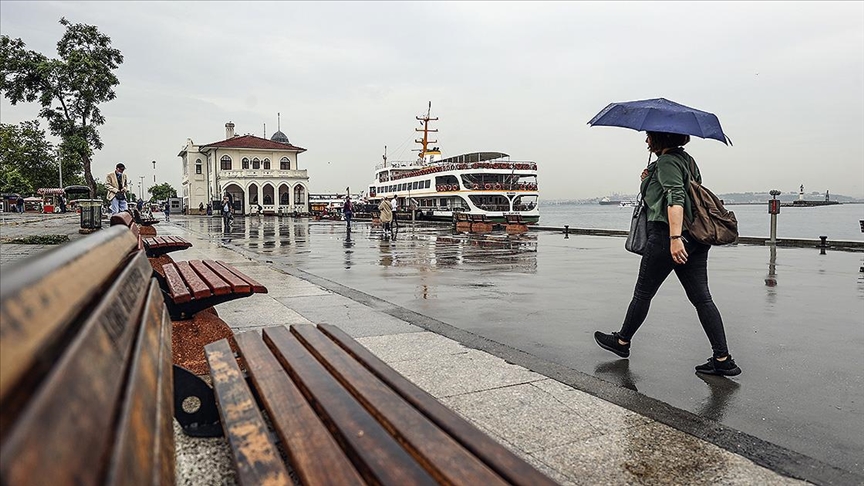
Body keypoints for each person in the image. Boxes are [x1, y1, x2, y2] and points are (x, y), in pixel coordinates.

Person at [593, 131, 741, 376]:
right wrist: (648, 178)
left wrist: (674, 239)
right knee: (702, 298)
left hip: (667, 236)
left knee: (643, 293)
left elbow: (675, 198)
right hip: (694, 237)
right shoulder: (687, 160)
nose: (646, 141)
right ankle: (722, 358)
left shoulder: (667, 162)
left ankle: (622, 342)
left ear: (660, 138)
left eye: (650, 136)